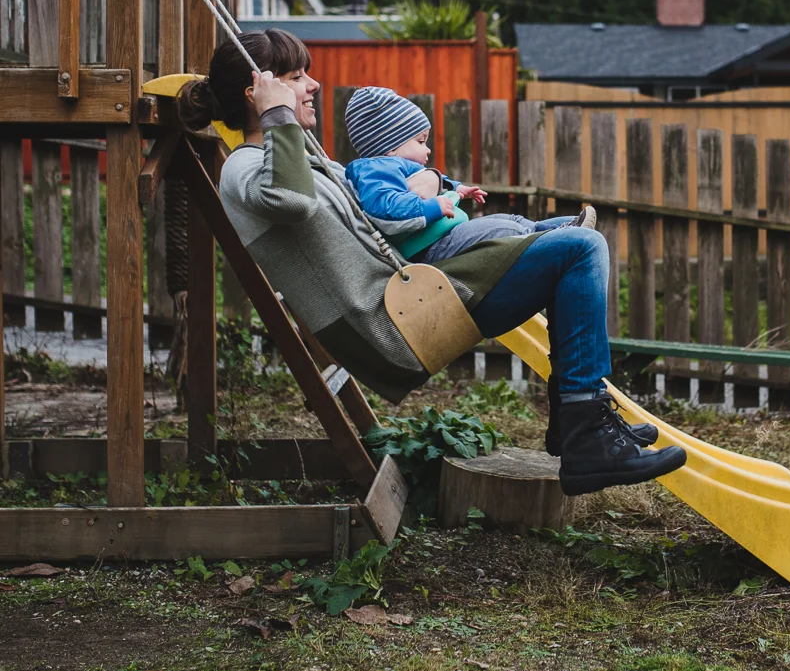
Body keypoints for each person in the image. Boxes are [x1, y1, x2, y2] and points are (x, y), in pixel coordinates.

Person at [178, 29, 679, 497]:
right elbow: (292, 201)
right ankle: (585, 433)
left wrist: (424, 185)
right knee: (580, 251)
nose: (312, 85)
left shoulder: (293, 156)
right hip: (391, 324)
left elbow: (366, 200)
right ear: (257, 94)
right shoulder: (244, 168)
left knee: (569, 239)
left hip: (411, 295)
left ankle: (579, 422)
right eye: (295, 79)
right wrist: (278, 117)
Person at [340, 86, 596, 264]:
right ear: (391, 144)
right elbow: (385, 208)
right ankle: (563, 237)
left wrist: (457, 188)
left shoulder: (395, 167)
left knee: (512, 219)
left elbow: (428, 184)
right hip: (429, 249)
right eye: (420, 141)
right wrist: (433, 206)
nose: (427, 149)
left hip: (441, 239)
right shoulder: (375, 170)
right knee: (502, 228)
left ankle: (562, 228)